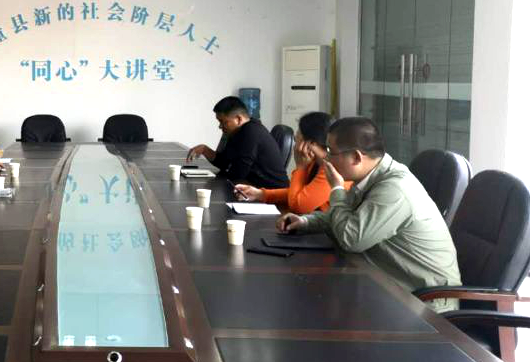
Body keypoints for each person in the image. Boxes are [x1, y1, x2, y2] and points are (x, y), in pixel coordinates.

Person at [276, 117, 461, 312]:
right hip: (391, 286)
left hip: (426, 304)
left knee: (315, 307)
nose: (326, 159)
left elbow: (350, 238)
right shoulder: (372, 176)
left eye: (331, 152)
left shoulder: (395, 189)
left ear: (356, 157)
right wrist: (305, 222)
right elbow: (346, 214)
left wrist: (337, 188)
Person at [234, 112, 349, 214]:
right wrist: (260, 194)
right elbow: (303, 193)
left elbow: (298, 206)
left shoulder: (331, 169)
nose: (295, 143)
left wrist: (300, 167)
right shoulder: (315, 162)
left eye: (296, 138)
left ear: (309, 143)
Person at [186, 96, 289, 188]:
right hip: (254, 189)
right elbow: (224, 163)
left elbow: (238, 173)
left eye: (223, 122)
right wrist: (204, 150)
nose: (220, 126)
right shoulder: (237, 132)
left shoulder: (251, 132)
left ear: (238, 119)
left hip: (273, 195)